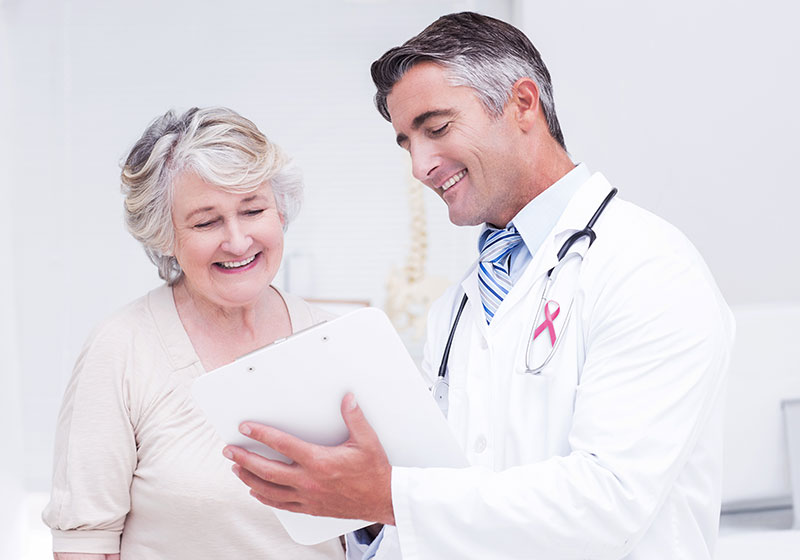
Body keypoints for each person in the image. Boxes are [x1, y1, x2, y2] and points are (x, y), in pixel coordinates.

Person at [223, 12, 735, 560]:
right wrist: (364, 511)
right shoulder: (459, 308)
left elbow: (609, 502)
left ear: (522, 104)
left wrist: (389, 495)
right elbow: (451, 500)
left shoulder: (646, 265)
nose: (420, 166)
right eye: (406, 143)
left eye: (436, 128)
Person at [42, 107, 345, 560]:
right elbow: (85, 545)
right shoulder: (121, 348)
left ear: (280, 211)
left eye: (253, 209)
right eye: (206, 222)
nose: (238, 241)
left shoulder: (336, 339)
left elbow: (385, 518)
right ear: (165, 236)